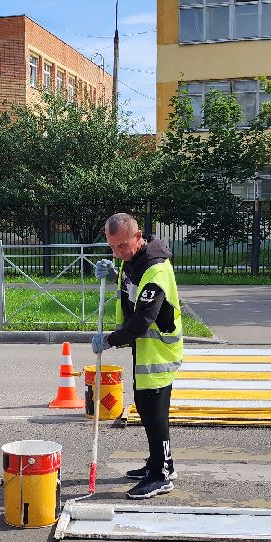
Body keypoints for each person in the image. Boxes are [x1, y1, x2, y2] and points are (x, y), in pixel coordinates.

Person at [92, 212, 183, 499]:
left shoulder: (155, 269)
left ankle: (161, 475)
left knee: (154, 413)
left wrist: (109, 340)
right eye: (112, 247)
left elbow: (144, 318)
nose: (118, 253)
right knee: (146, 408)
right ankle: (159, 462)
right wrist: (115, 273)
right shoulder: (135, 261)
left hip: (158, 351)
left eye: (122, 246)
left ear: (138, 236)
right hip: (144, 349)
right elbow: (132, 287)